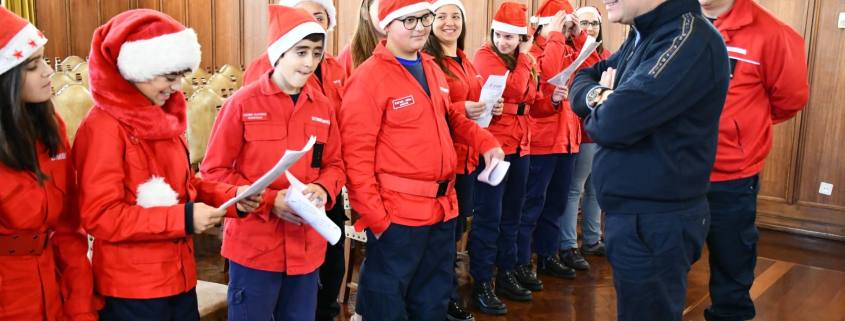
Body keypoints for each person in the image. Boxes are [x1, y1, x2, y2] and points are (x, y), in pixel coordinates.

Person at [71, 9, 262, 320]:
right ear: (137, 70)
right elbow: (101, 216)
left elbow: (187, 185)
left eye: (179, 78)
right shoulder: (102, 127)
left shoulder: (163, 118)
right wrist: (183, 218)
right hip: (132, 289)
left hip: (178, 277)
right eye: (169, 77)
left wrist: (233, 199)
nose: (176, 87)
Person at [339, 0, 504, 319]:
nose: (420, 26)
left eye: (424, 17)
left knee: (431, 302)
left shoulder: (430, 66)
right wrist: (377, 218)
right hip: (397, 216)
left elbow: (448, 116)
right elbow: (354, 155)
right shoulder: (368, 78)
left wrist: (485, 142)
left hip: (442, 211)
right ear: (386, 25)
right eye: (408, 20)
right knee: (387, 305)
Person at [569, 0, 730, 320]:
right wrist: (602, 95)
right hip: (634, 216)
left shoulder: (687, 40)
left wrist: (602, 105)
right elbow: (581, 78)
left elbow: (611, 123)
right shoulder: (645, 33)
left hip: (656, 219)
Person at [200, 5, 345, 321]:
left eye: (316, 53)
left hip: (306, 249)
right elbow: (212, 173)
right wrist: (269, 200)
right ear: (279, 52)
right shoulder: (242, 103)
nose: (309, 63)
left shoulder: (322, 106)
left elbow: (335, 164)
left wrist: (322, 188)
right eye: (301, 52)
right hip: (255, 249)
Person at [698, 0, 809, 320]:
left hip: (732, 177)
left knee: (732, 266)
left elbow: (790, 100)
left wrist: (741, 129)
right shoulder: (676, 20)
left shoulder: (772, 34)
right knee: (664, 265)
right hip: (675, 171)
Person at [0, 7, 100, 321]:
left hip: (51, 288)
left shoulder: (50, 126)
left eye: (44, 59)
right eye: (32, 65)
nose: (47, 72)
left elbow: (69, 229)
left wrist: (80, 307)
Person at [422, 1, 502, 320]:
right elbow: (429, 111)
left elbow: (473, 106)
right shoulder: (428, 62)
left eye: (455, 16)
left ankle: (448, 293)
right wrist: (461, 107)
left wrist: (489, 108)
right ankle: (443, 299)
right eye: (442, 16)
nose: (449, 22)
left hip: (468, 160)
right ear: (430, 23)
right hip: (444, 161)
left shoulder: (466, 61)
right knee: (441, 235)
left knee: (456, 233)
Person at [469, 2, 538, 315]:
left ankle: (505, 271)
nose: (504, 41)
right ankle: (482, 280)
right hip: (494, 146)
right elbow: (516, 86)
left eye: (512, 37)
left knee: (513, 213)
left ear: (521, 37)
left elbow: (533, 95)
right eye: (500, 34)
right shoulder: (486, 55)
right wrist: (524, 59)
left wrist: (522, 65)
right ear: (492, 32)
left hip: (522, 144)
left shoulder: (521, 59)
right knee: (489, 217)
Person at [516, 0, 584, 289]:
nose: (565, 28)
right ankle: (520, 262)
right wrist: (555, 35)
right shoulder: (532, 51)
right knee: (531, 205)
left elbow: (592, 69)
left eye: (568, 23)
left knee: (555, 204)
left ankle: (547, 254)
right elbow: (549, 78)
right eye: (560, 22)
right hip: (542, 141)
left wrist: (579, 35)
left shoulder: (568, 47)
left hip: (567, 140)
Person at [557, 5, 614, 270]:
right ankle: (568, 243)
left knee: (595, 188)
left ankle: (592, 239)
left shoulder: (608, 55)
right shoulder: (570, 53)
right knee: (575, 189)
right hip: (578, 130)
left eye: (594, 23)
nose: (589, 28)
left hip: (602, 130)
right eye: (584, 23)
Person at [337, 0, 386, 75]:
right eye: (382, 6)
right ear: (365, 12)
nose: (389, 15)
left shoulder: (406, 50)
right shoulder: (350, 55)